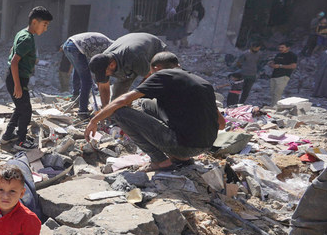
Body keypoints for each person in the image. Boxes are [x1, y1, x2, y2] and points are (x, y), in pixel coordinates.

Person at [84, 52, 224, 172]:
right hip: (205, 145)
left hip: (183, 146)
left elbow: (123, 100)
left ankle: (160, 160)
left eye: (151, 73)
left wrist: (94, 120)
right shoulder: (203, 83)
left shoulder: (162, 75)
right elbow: (222, 124)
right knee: (146, 103)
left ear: (156, 68)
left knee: (118, 112)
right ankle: (182, 158)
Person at [1, 6, 53, 151]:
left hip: (14, 77)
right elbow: (14, 61)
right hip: (17, 79)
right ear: (35, 22)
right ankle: (21, 142)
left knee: (21, 107)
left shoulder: (22, 33)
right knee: (26, 110)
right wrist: (18, 86)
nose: (46, 29)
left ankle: (8, 136)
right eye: (45, 25)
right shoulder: (27, 39)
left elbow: (13, 51)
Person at [87, 33, 167, 107]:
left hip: (154, 50)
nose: (105, 76)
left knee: (158, 85)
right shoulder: (102, 60)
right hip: (127, 59)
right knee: (117, 101)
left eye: (105, 73)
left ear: (112, 65)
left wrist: (132, 96)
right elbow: (103, 87)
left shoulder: (134, 56)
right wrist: (105, 112)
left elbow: (149, 77)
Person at [62, 32, 114, 116]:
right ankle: (83, 111)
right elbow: (98, 68)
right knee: (87, 81)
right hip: (76, 48)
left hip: (68, 44)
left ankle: (76, 95)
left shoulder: (106, 43)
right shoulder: (108, 50)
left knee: (79, 71)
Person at [267, 42, 298, 106]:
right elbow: (274, 61)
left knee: (277, 93)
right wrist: (271, 64)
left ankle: (275, 108)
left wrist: (280, 66)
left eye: (282, 47)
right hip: (274, 75)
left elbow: (293, 66)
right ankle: (272, 106)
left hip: (283, 76)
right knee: (272, 92)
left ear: (288, 48)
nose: (280, 49)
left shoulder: (292, 55)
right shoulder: (278, 55)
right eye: (279, 47)